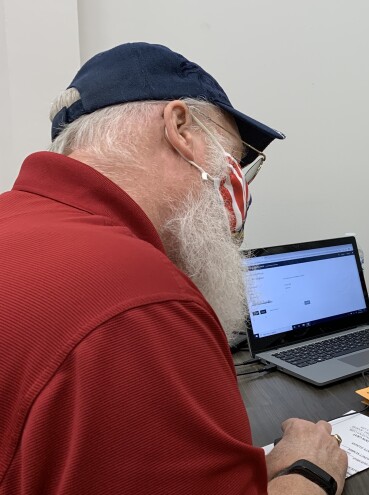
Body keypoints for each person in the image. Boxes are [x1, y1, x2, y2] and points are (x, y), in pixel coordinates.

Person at [0, 43, 346, 495]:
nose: (238, 182)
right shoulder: (139, 300)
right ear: (181, 128)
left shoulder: (16, 221)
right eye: (236, 158)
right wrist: (309, 470)